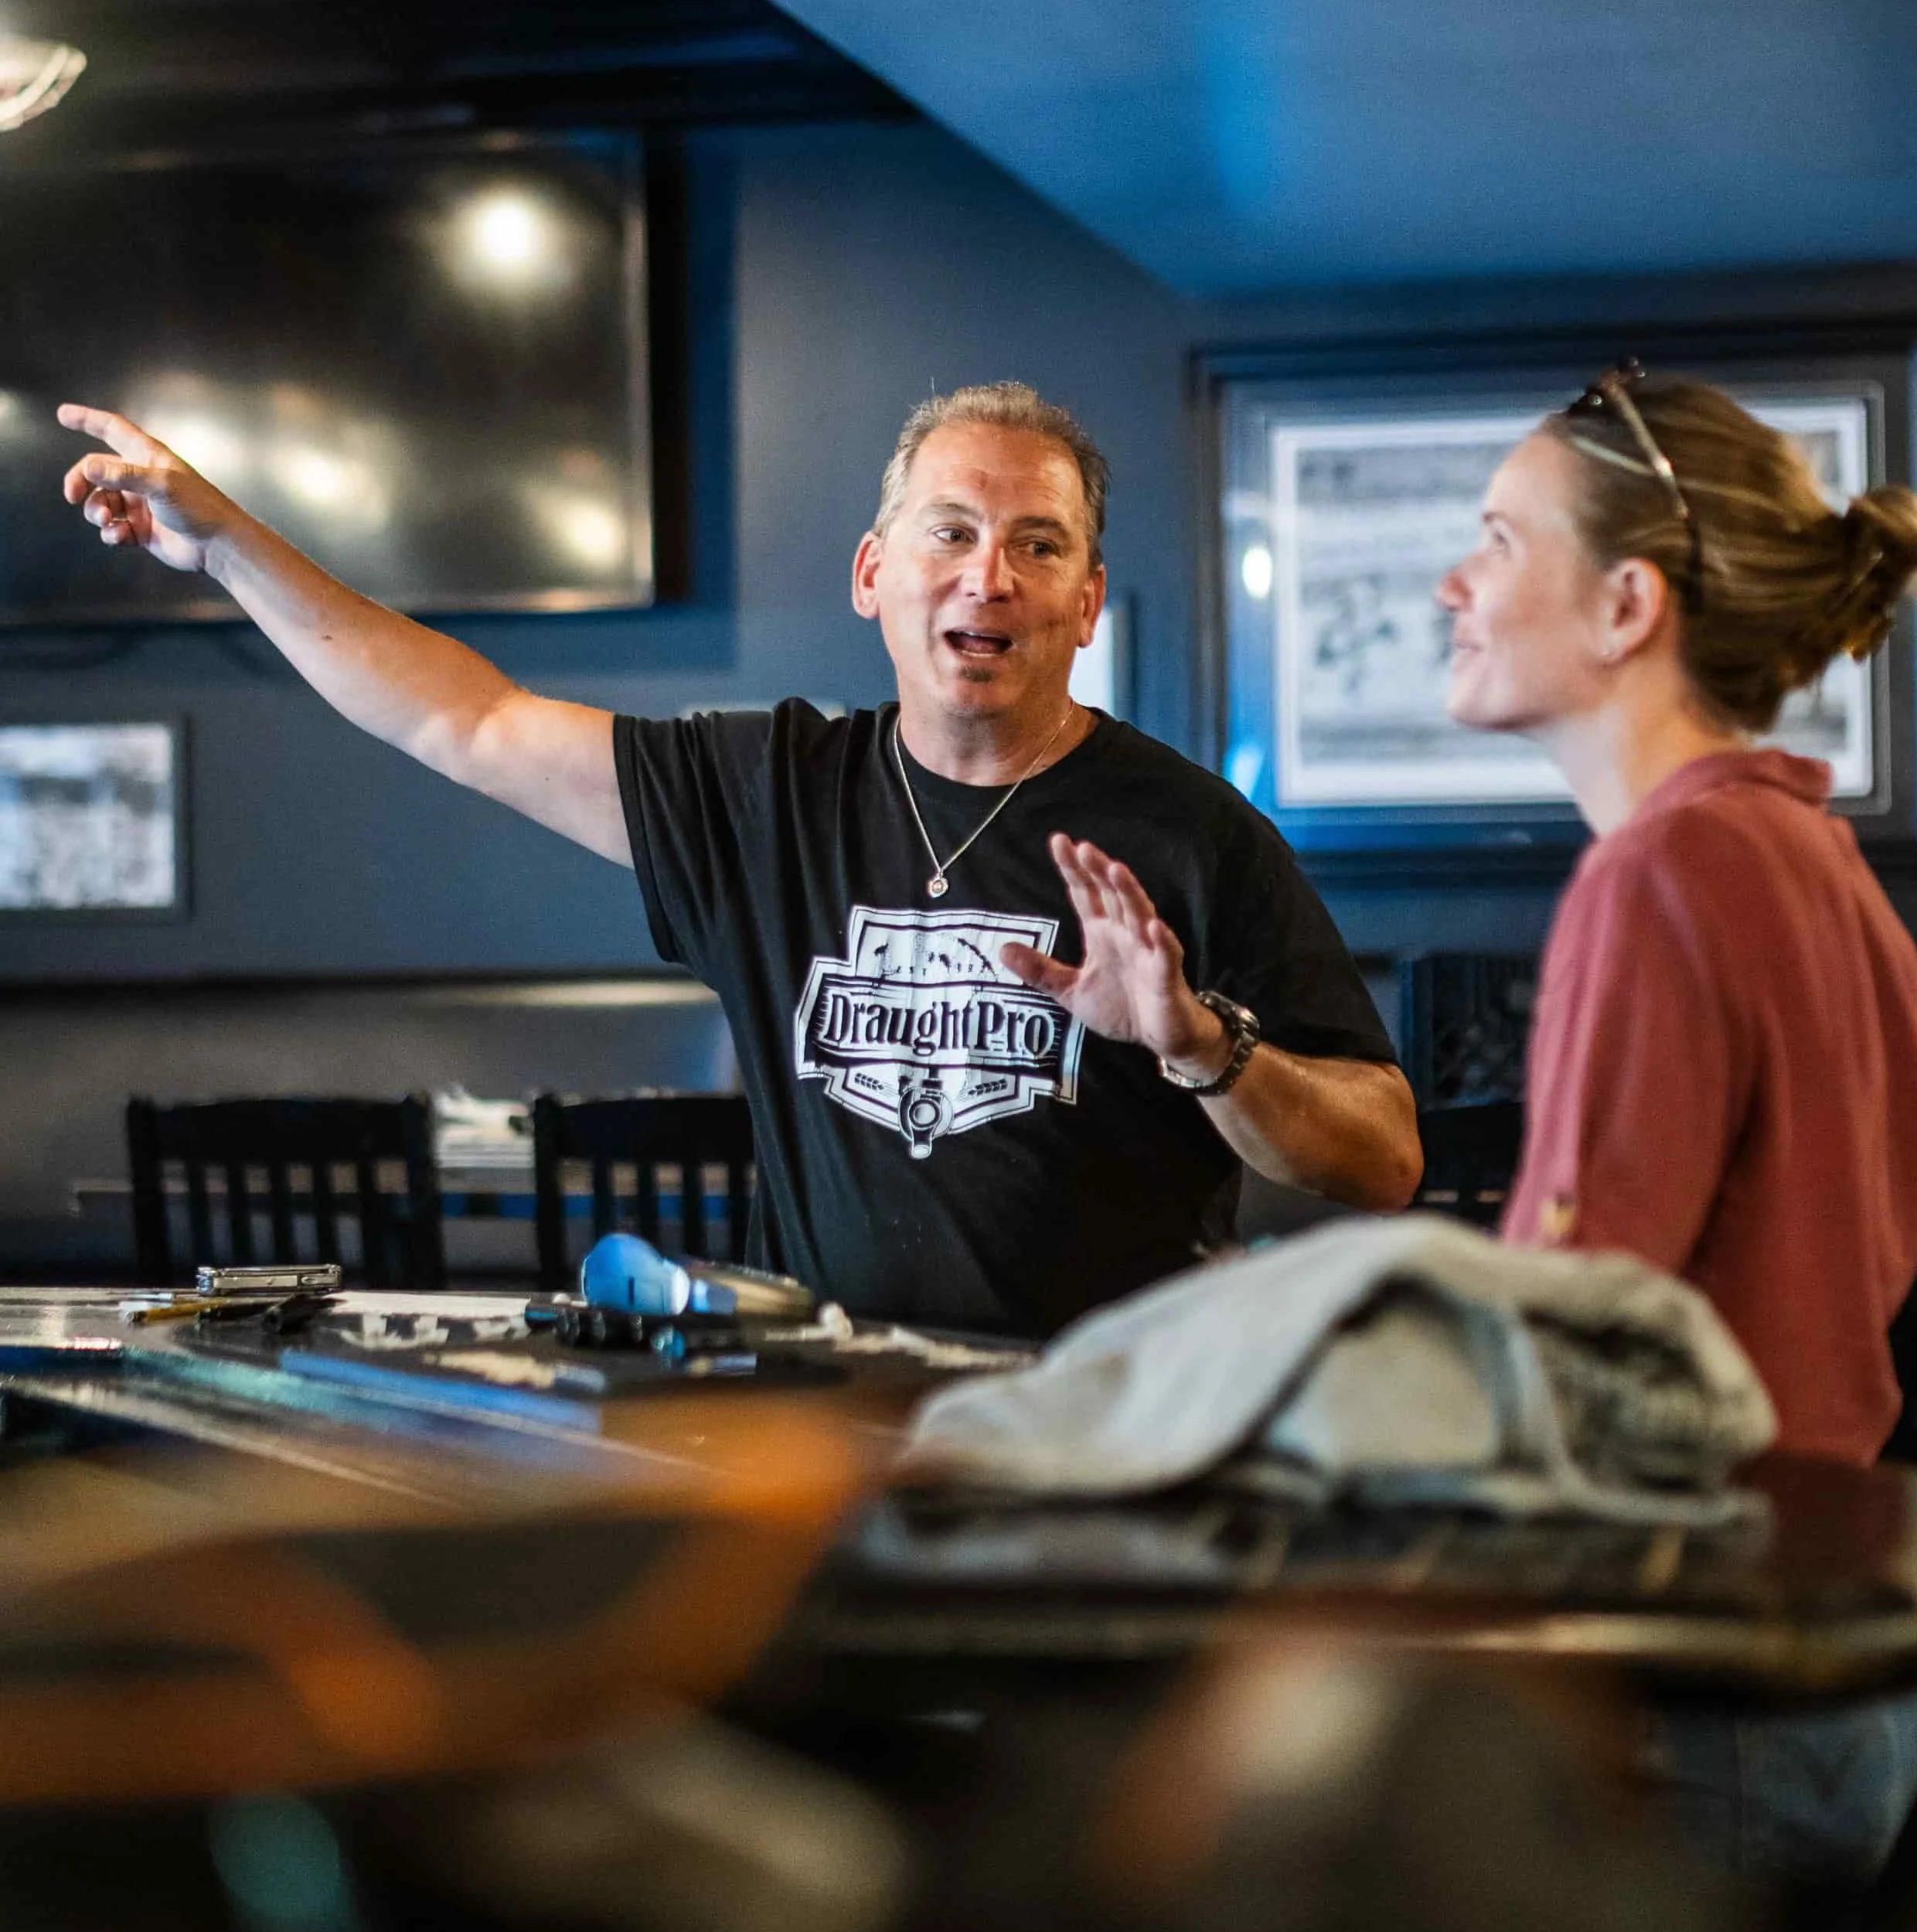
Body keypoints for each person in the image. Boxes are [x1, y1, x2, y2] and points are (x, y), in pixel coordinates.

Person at [60, 379, 1418, 1336]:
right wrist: (225, 544)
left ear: (1087, 601)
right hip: (821, 1429)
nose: (987, 574)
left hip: (1111, 1428)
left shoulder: (1193, 832)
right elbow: (457, 714)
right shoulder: (767, 792)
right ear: (872, 573)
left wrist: (1199, 1044)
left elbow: (1385, 1161)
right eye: (949, 530)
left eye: (1037, 544)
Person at [1438, 362, 1917, 1883]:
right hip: (1827, 1665)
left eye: (1500, 539)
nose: (1452, 582)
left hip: (1697, 1679)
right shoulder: (1806, 854)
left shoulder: (1659, 872)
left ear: (1623, 608)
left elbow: (1581, 1343)